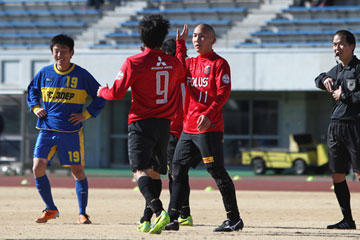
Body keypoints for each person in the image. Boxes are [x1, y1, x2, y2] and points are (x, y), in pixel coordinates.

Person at [97, 15, 185, 234]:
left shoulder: (134, 61)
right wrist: (180, 45)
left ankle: (159, 212)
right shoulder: (173, 63)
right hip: (164, 125)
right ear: (163, 37)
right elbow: (183, 70)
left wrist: (102, 92)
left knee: (139, 170)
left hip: (141, 123)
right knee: (155, 172)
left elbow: (116, 93)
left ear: (142, 38)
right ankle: (146, 219)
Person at [165, 24, 243, 232]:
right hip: (188, 129)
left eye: (202, 37)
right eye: (195, 37)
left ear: (213, 40)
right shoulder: (189, 63)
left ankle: (234, 218)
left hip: (210, 128)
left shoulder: (219, 64)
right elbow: (178, 73)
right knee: (177, 169)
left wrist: (209, 115)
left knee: (215, 170)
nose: (197, 40)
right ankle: (173, 217)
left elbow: (223, 93)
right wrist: (180, 45)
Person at [27, 34, 106, 224]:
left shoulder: (81, 74)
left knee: (77, 171)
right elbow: (31, 91)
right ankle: (51, 208)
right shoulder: (44, 73)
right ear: (52, 53)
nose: (60, 54)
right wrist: (36, 107)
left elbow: (101, 95)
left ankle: (82, 213)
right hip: (46, 130)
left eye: (64, 51)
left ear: (72, 53)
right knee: (37, 168)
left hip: (71, 132)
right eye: (56, 51)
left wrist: (86, 114)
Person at [138, 38, 195, 231]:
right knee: (178, 174)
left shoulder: (170, 74)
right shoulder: (187, 74)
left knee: (159, 173)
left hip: (170, 129)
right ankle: (182, 213)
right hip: (187, 130)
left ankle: (161, 215)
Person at [315, 29, 359, 230]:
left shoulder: (358, 68)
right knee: (337, 175)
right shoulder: (336, 70)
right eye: (334, 44)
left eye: (340, 44)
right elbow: (317, 80)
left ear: (352, 46)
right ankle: (347, 220)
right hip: (335, 126)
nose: (336, 48)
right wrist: (323, 78)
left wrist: (344, 96)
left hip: (355, 126)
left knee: (359, 172)